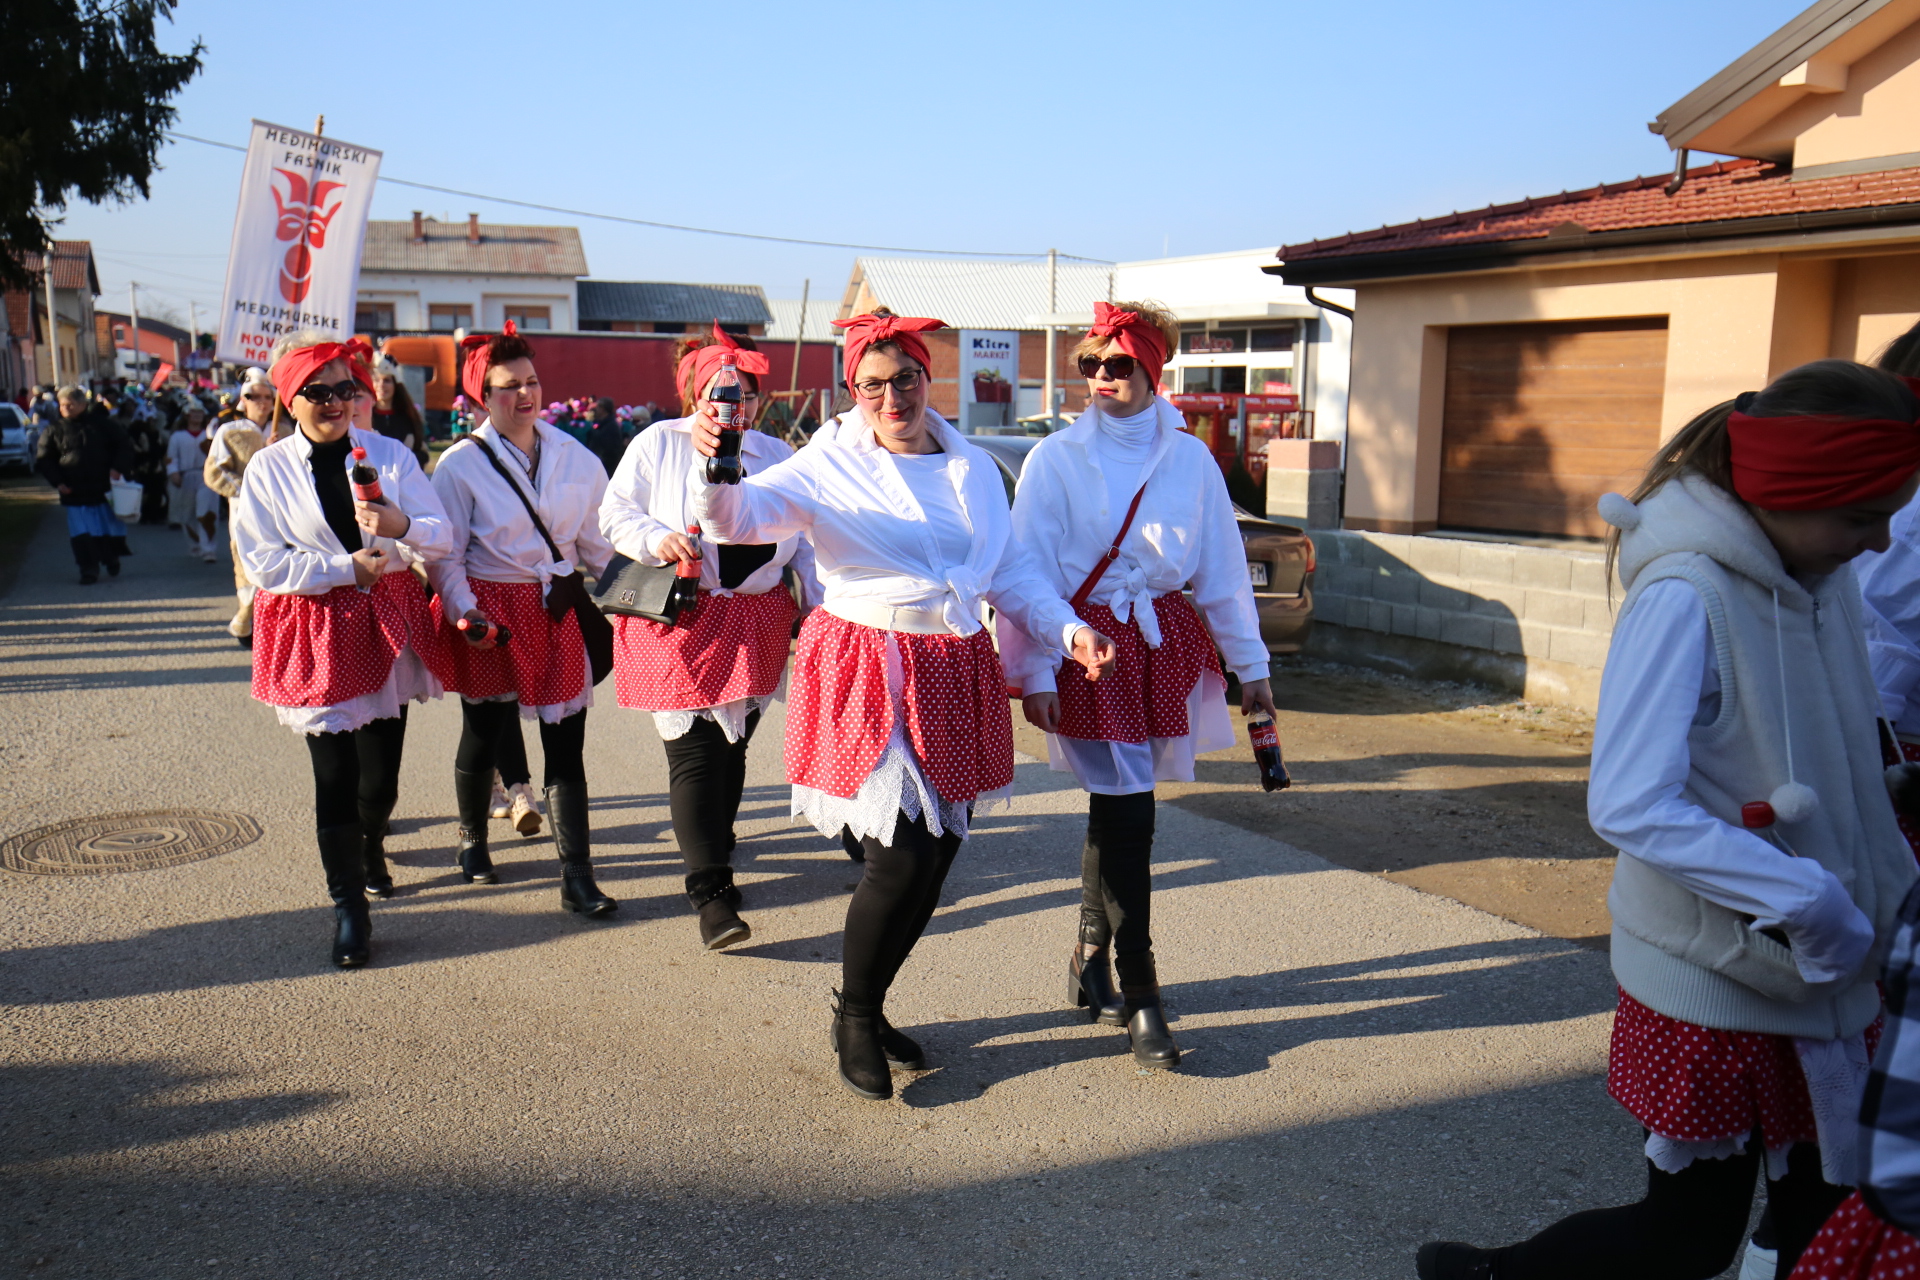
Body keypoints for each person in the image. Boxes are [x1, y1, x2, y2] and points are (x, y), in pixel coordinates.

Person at [1416, 359, 1920, 1280]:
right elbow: (1629, 801)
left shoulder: (1822, 579)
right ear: (1788, 492)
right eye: (1862, 516)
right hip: (1722, 978)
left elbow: (1840, 749)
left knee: (1826, 1205)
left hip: (1826, 972)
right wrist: (1806, 899)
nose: (1883, 541)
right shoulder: (1688, 595)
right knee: (1688, 1235)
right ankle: (1489, 1278)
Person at [689, 309, 1116, 1102]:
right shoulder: (827, 463)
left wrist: (1069, 630)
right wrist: (719, 465)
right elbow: (737, 519)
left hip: (953, 664)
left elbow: (1010, 572)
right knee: (903, 856)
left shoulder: (974, 468)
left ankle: (870, 1003)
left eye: (906, 379)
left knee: (937, 860)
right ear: (853, 392)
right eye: (873, 385)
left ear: (928, 378)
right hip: (865, 662)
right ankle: (853, 1017)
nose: (893, 398)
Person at [1002, 301, 1277, 1070]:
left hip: (1163, 645)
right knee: (1129, 818)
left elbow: (1221, 568)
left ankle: (1092, 953)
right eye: (1089, 364)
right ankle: (1143, 991)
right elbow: (1023, 567)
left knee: (1122, 809)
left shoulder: (1190, 461)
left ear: (1153, 370)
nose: (1099, 378)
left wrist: (1250, 667)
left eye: (1116, 365)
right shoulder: (1055, 458)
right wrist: (1028, 671)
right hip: (1087, 646)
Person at [231, 332, 452, 968]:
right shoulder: (269, 468)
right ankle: (348, 907)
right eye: (317, 392)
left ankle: (372, 840)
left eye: (344, 389)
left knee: (380, 779)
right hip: (315, 627)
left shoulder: (387, 454)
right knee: (335, 774)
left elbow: (440, 535)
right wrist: (343, 568)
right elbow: (264, 562)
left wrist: (400, 526)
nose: (335, 402)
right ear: (290, 399)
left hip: (385, 623)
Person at [602, 325, 819, 950]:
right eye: (720, 393)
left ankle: (716, 842)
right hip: (683, 616)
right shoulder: (657, 445)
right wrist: (654, 539)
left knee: (734, 747)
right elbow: (614, 515)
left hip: (756, 618)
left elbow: (804, 539)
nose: (734, 406)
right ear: (694, 395)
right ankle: (711, 892)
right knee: (694, 752)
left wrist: (817, 604)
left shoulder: (778, 455)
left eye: (745, 393)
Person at [424, 322, 617, 914]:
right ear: (484, 395)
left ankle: (576, 875)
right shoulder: (459, 465)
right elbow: (445, 556)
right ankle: (472, 840)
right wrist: (464, 612)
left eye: (531, 382)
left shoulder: (574, 456)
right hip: (491, 607)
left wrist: (641, 592)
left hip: (555, 608)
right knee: (484, 731)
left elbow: (600, 546)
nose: (525, 396)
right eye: (509, 386)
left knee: (566, 743)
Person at [205, 367, 288, 645]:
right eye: (254, 396)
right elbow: (215, 471)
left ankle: (274, 624)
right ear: (244, 399)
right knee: (248, 563)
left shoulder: (287, 431)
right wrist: (248, 491)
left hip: (282, 512)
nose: (262, 402)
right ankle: (248, 617)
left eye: (268, 396)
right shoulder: (229, 431)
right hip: (244, 512)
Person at [34, 385, 134, 584]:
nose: (66, 409)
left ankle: (110, 557)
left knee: (107, 527)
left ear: (83, 404)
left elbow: (124, 445)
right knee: (81, 532)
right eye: (63, 405)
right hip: (74, 490)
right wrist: (58, 482)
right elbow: (45, 459)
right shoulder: (54, 430)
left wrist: (118, 468)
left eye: (71, 404)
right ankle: (88, 568)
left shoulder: (103, 425)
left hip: (104, 488)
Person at [166, 401, 219, 562]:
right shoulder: (177, 436)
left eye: (200, 413)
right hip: (186, 476)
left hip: (207, 476)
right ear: (187, 415)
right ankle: (195, 543)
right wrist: (173, 473)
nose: (197, 416)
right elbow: (171, 458)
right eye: (193, 413)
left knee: (207, 512)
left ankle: (208, 549)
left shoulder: (210, 434)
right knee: (187, 513)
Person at [371, 357, 429, 469]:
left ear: (395, 385)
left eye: (387, 380)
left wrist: (407, 457)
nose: (381, 385)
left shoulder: (408, 418)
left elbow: (423, 454)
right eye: (377, 380)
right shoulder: (365, 418)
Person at [585, 396, 625, 477]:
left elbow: (611, 450)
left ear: (604, 409)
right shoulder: (599, 423)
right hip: (596, 464)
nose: (596, 409)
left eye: (598, 407)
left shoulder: (611, 426)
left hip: (606, 468)